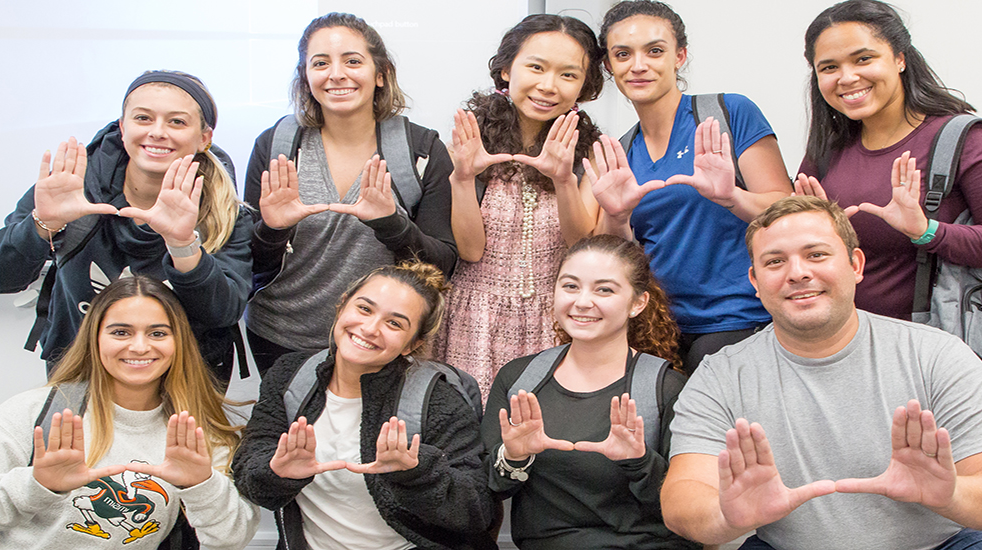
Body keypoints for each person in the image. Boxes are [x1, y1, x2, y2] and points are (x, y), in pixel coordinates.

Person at [661, 196, 982, 549]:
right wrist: (728, 516)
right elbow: (682, 500)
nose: (797, 273)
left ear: (856, 265)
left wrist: (951, 494)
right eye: (775, 261)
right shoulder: (721, 375)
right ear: (756, 283)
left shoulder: (935, 355)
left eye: (816, 254)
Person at [0, 276, 260, 549]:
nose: (140, 346)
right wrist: (36, 484)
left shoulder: (197, 431)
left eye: (157, 333)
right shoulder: (38, 412)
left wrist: (201, 484)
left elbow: (231, 539)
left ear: (179, 343)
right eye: (121, 332)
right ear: (95, 338)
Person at [0, 70, 252, 382]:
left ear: (204, 138)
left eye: (177, 122)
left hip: (186, 388)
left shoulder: (223, 210)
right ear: (122, 127)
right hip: (79, 380)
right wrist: (44, 225)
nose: (158, 132)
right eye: (143, 118)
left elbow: (222, 313)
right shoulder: (74, 186)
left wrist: (182, 244)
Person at [794, 0, 982, 321]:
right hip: (836, 344)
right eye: (829, 67)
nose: (847, 77)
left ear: (899, 59)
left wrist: (926, 231)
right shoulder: (829, 148)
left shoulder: (969, 141)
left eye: (864, 59)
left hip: (926, 353)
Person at [245, 12, 456, 376]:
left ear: (381, 74)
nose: (336, 74)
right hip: (280, 337)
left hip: (379, 343)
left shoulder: (421, 150)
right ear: (305, 76)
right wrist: (273, 229)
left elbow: (444, 266)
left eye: (352, 61)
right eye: (321, 63)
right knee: (291, 434)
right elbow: (248, 263)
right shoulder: (276, 144)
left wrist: (391, 224)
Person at [589, 0, 793, 372]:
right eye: (623, 54)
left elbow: (788, 210)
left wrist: (732, 197)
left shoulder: (728, 113)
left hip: (740, 322)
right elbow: (616, 252)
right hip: (660, 331)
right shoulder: (622, 150)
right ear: (608, 65)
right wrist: (617, 217)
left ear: (679, 55)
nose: (638, 65)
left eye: (655, 51)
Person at [232, 262, 494, 550]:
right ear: (342, 305)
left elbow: (475, 511)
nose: (369, 328)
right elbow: (249, 477)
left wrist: (415, 475)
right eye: (364, 309)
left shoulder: (438, 400)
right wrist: (276, 472)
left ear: (411, 344)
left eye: (394, 323)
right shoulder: (290, 375)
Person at [482, 234, 696, 549]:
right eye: (570, 286)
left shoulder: (666, 388)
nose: (582, 302)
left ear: (638, 303)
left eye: (604, 290)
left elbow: (688, 507)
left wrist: (638, 461)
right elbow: (489, 488)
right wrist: (515, 456)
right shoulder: (519, 380)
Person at [434, 14, 605, 400]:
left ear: (584, 85)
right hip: (473, 318)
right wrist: (462, 178)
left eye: (568, 75)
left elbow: (581, 245)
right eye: (536, 67)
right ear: (507, 69)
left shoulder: (590, 150)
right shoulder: (469, 140)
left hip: (555, 318)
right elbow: (470, 251)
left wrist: (563, 179)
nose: (548, 86)